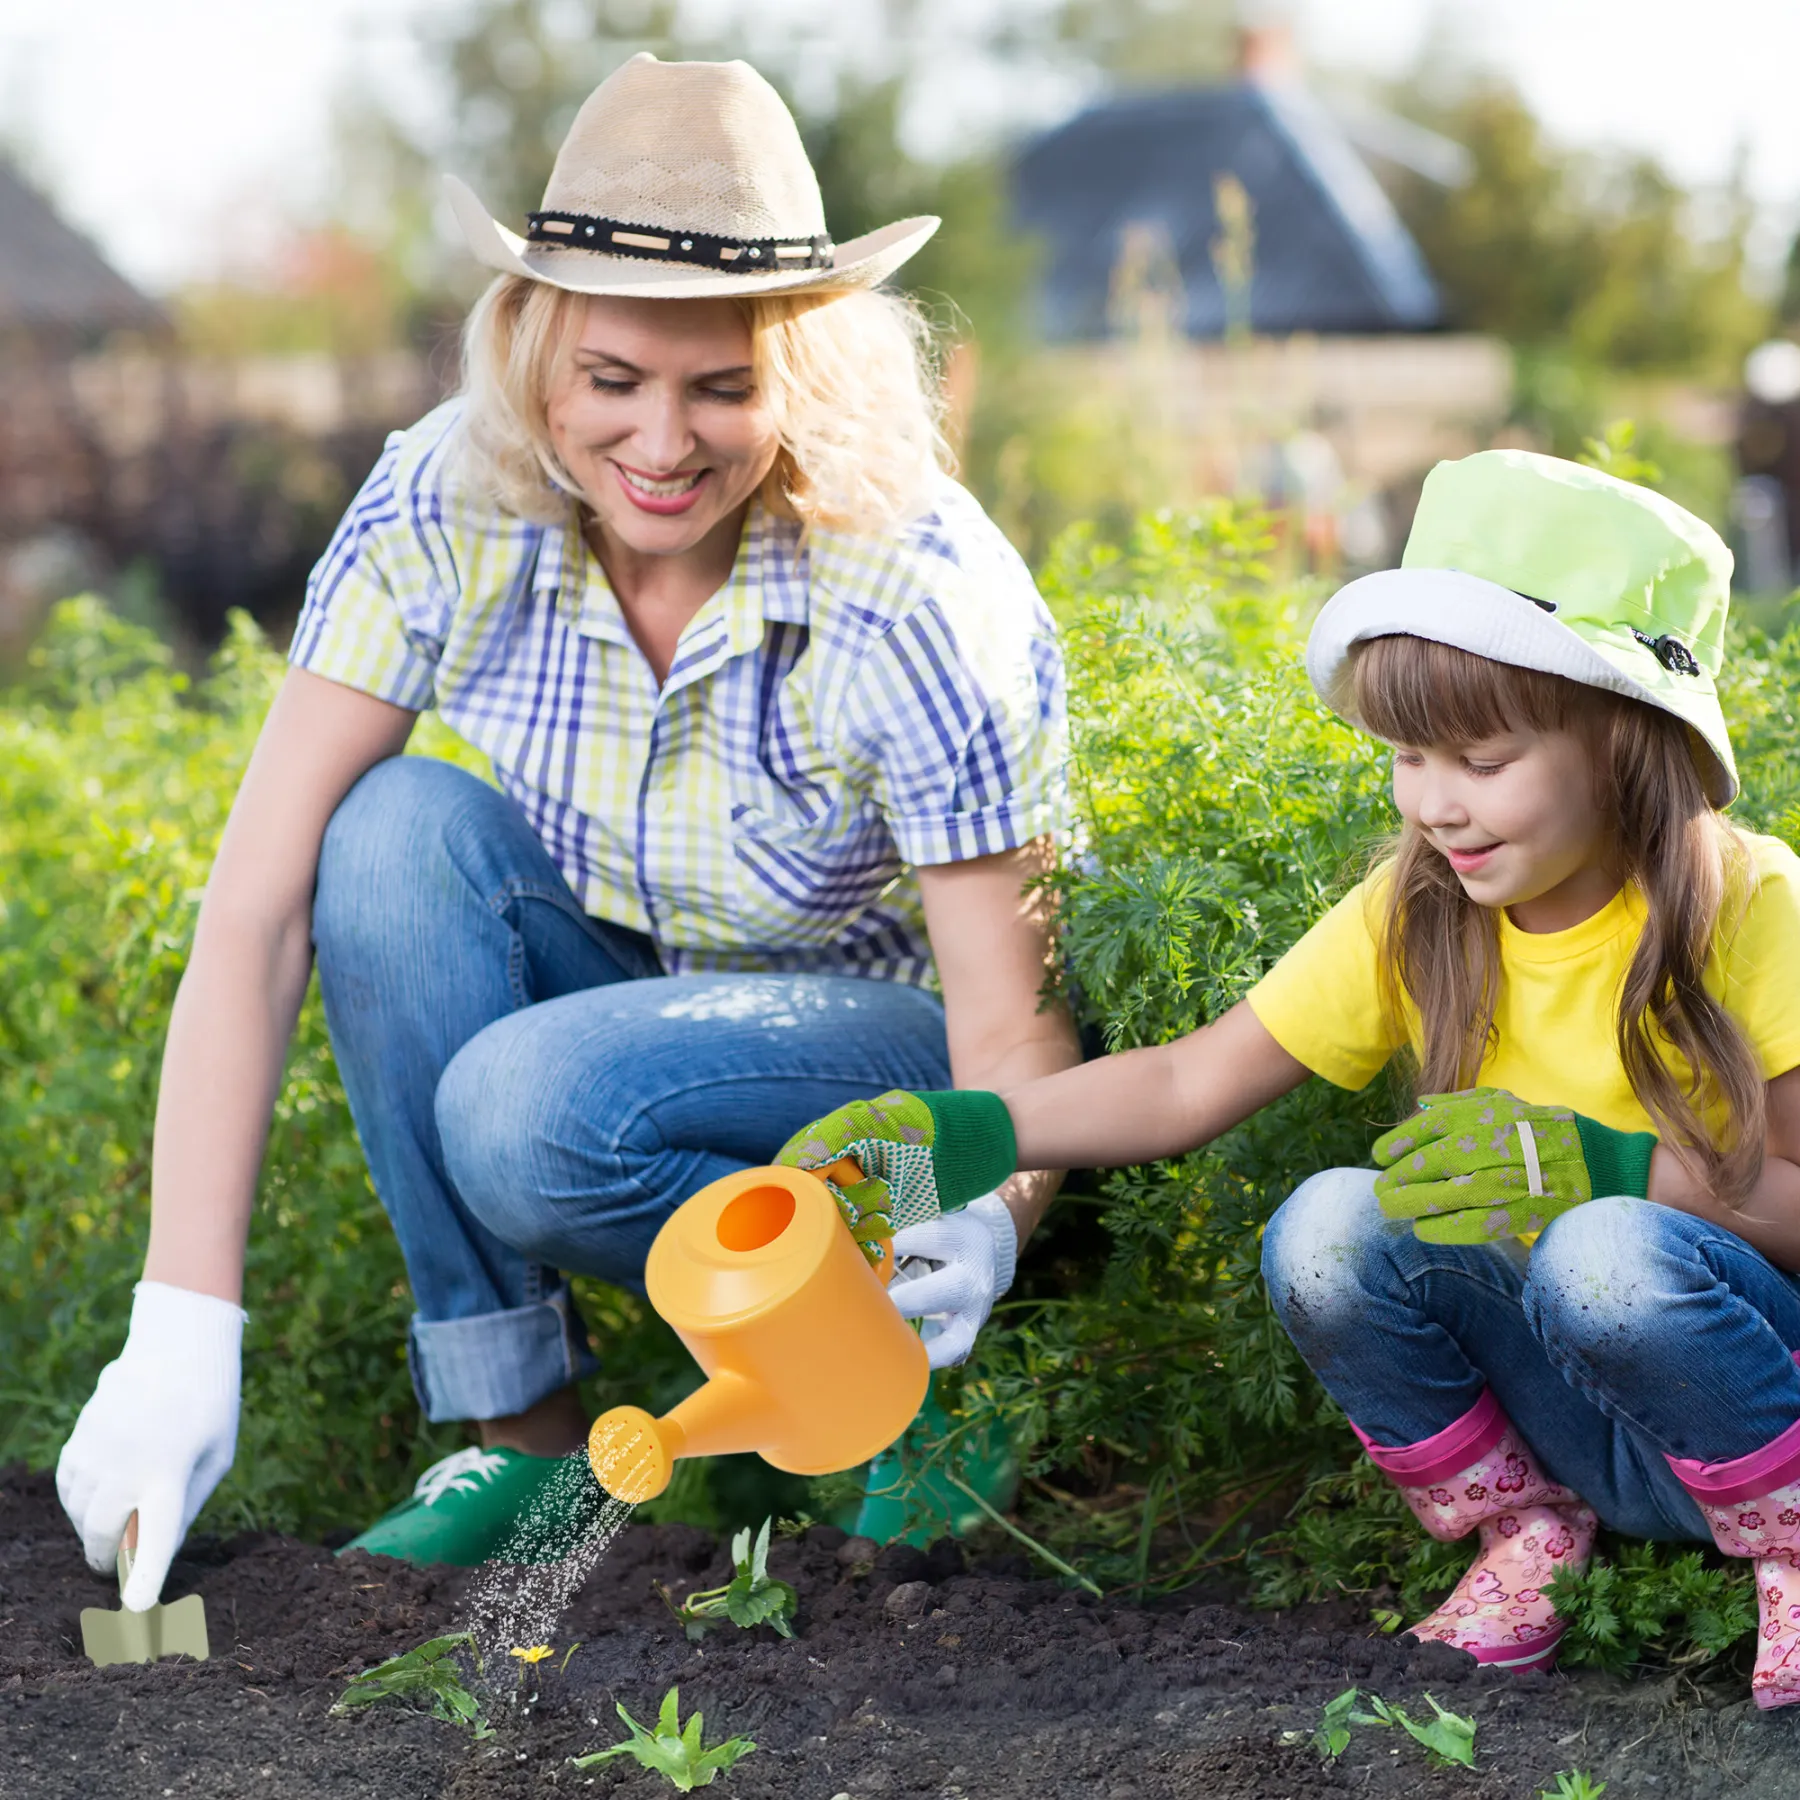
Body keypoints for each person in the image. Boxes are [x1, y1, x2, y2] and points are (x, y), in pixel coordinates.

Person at [55, 53, 1078, 1608]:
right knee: (386, 831)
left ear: (797, 371)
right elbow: (254, 915)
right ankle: (520, 1433)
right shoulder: (447, 504)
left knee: (530, 1110)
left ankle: (913, 1376)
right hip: (630, 993)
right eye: (615, 379)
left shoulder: (912, 586)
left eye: (722, 386)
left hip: (883, 1061)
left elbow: (1011, 1027)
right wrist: (179, 1322)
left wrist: (993, 1223)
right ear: (537, 352)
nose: (661, 442)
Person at [779, 448, 1800, 1710]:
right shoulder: (1421, 912)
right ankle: (1529, 1534)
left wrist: (1612, 1171)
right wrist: (968, 1135)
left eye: (1480, 761)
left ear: (1627, 744)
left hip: (1752, 1391)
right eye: (1407, 756)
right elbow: (1181, 1087)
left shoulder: (1743, 905)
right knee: (1323, 1224)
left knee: (1601, 1249)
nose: (1434, 803)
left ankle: (1794, 1551)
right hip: (1584, 1421)